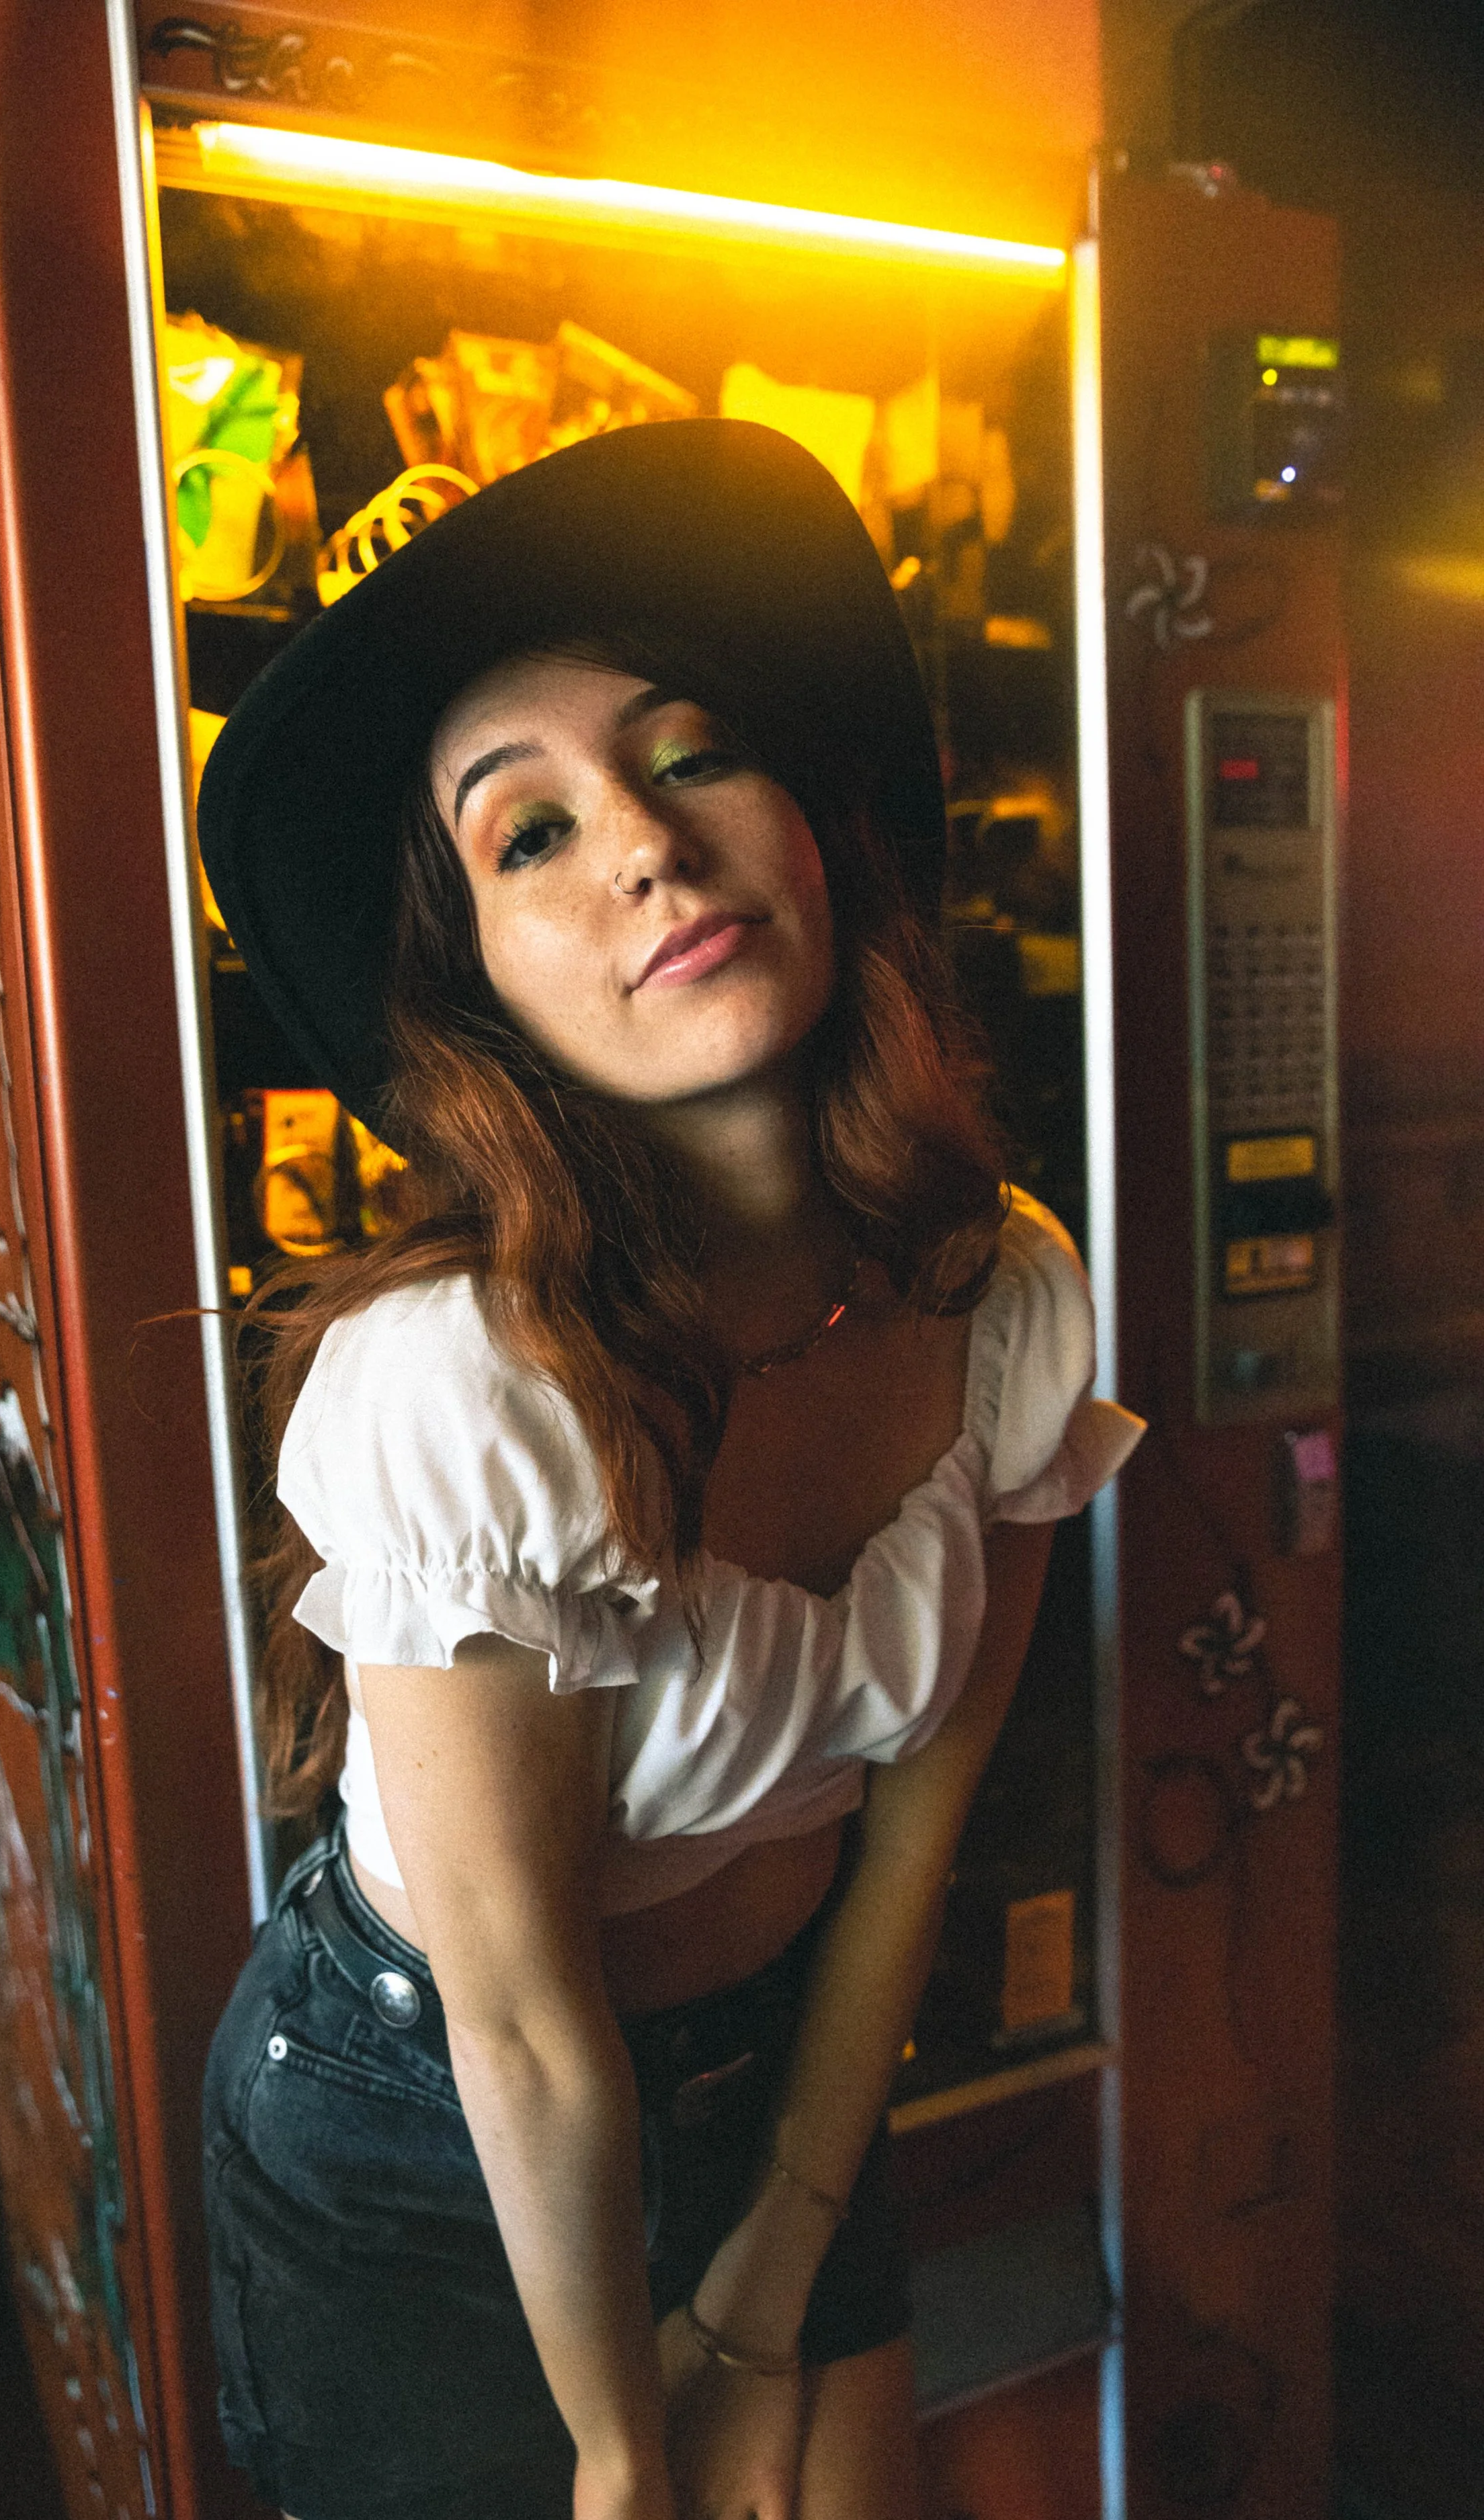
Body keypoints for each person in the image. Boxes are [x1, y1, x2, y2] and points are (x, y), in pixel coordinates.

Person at [196, 419, 1141, 2520]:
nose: (634, 839)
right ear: (484, 996)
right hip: (434, 2128)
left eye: (688, 750)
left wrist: (792, 2232)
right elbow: (521, 2029)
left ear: (809, 828)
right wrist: (626, 2456)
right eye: (524, 836)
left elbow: (916, 1825)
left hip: (785, 2067)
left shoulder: (999, 1294)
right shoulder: (458, 1385)